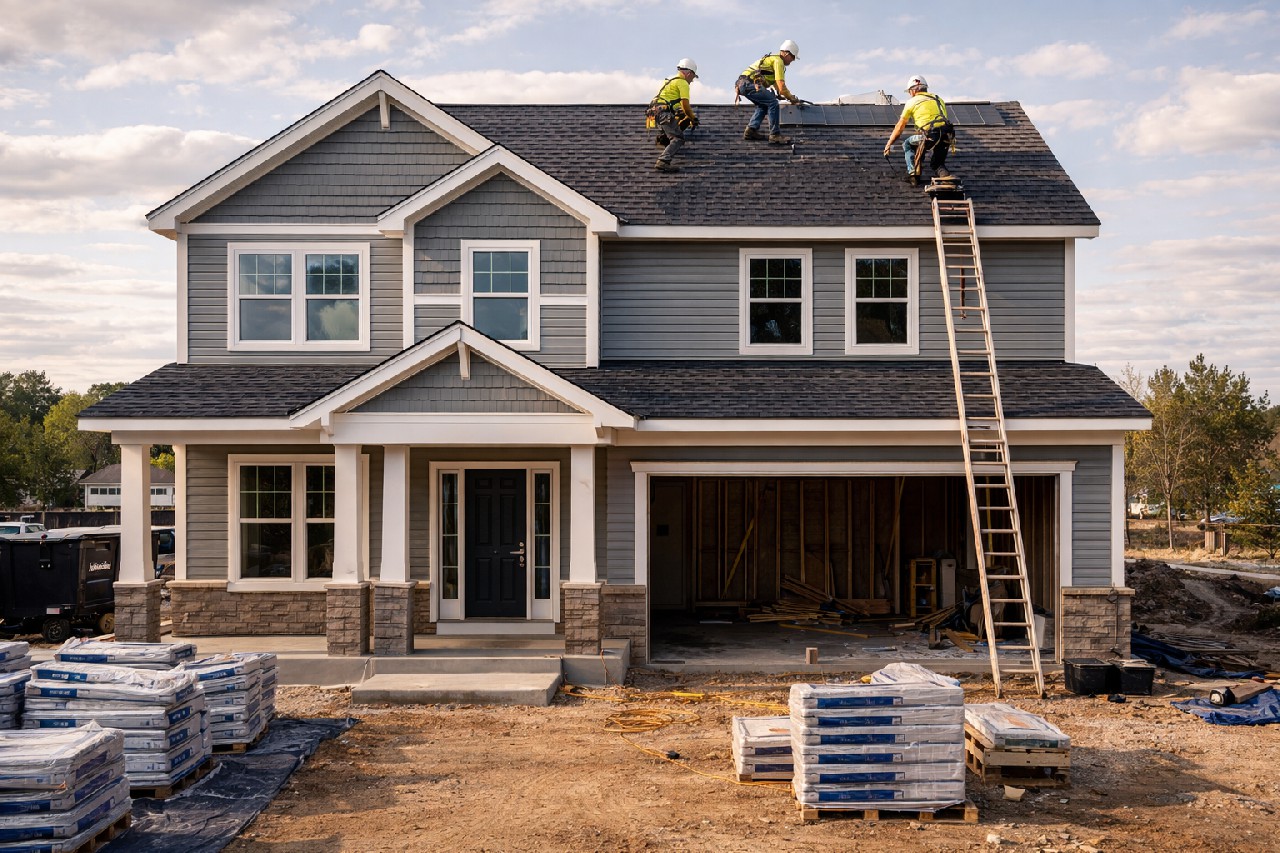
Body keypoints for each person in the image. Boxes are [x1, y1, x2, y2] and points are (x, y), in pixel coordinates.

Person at [883, 75, 955, 185]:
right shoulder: (938, 99)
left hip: (931, 134)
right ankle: (947, 178)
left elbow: (899, 127)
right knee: (937, 163)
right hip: (947, 134)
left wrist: (889, 144)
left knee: (908, 144)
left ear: (913, 90)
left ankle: (913, 175)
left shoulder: (912, 102)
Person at [736, 40, 801, 145]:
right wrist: (792, 98)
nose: (792, 60)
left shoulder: (773, 60)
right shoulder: (778, 61)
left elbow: (777, 86)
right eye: (792, 57)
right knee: (773, 102)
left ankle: (751, 131)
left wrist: (781, 94)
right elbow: (781, 86)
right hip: (749, 84)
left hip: (743, 84)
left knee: (764, 105)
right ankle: (775, 135)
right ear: (785, 53)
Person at [650, 59, 699, 172]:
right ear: (689, 73)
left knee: (677, 122)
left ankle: (663, 138)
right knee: (678, 138)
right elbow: (685, 105)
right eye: (693, 77)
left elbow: (677, 107)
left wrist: (686, 117)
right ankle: (663, 161)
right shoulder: (682, 83)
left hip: (656, 114)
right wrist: (693, 118)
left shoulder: (670, 81)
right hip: (664, 114)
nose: (692, 80)